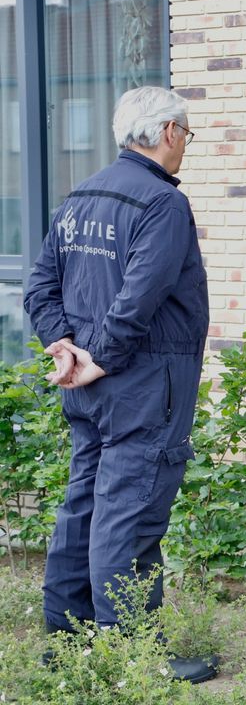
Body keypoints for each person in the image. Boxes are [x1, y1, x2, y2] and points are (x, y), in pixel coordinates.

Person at [23, 86, 213, 683]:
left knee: (84, 502)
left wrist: (64, 346)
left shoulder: (81, 195)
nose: (186, 144)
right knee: (130, 513)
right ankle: (130, 651)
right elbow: (139, 297)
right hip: (143, 381)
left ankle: (68, 638)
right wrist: (96, 357)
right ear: (168, 131)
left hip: (89, 383)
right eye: (186, 133)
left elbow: (39, 287)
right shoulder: (163, 203)